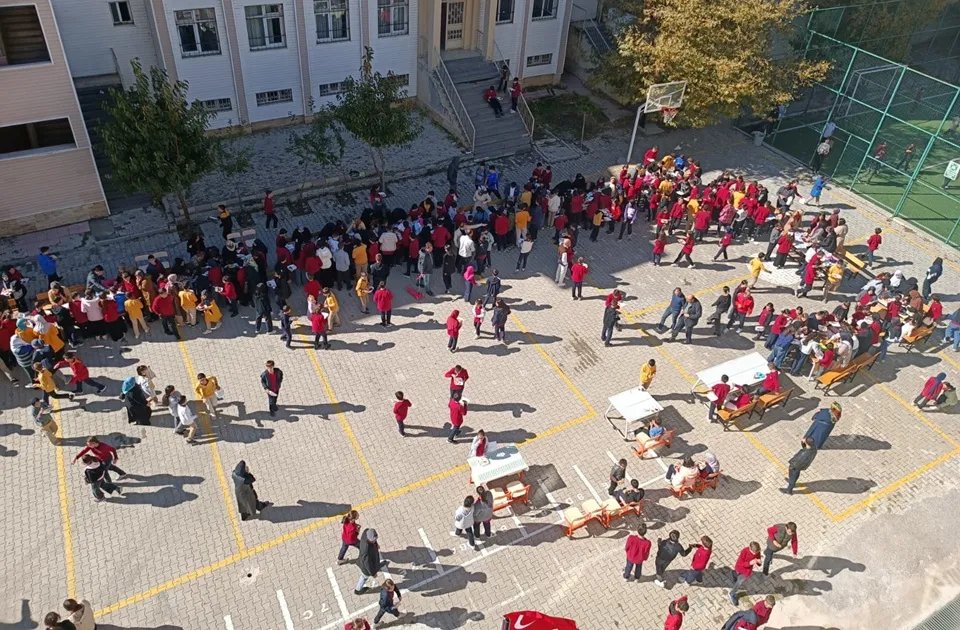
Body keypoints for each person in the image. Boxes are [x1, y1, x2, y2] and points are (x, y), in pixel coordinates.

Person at [355, 528, 382, 594]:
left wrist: (376, 544)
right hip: (366, 568)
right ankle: (358, 590)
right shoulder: (366, 549)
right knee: (364, 577)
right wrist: (373, 573)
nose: (375, 541)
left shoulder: (366, 532)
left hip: (373, 559)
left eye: (375, 539)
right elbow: (368, 564)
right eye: (373, 540)